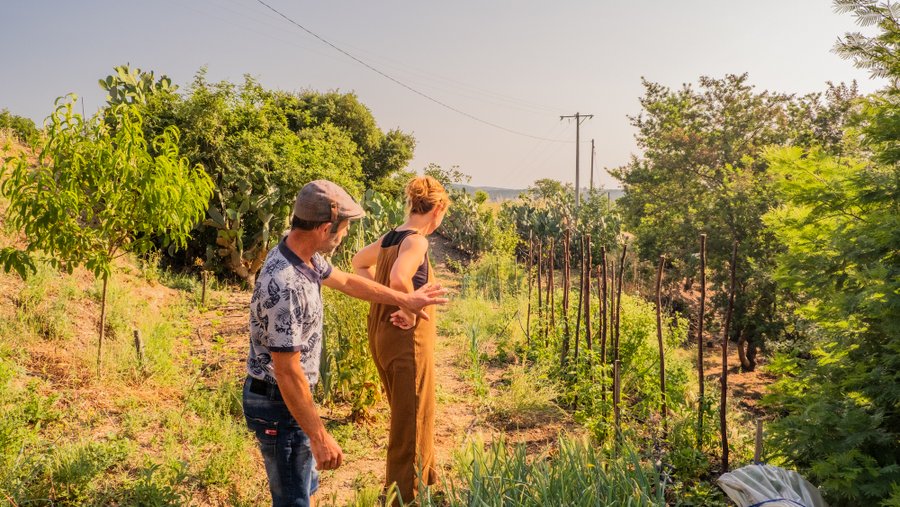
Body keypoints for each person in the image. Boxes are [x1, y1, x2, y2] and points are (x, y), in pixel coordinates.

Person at [243, 180, 448, 507]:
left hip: (290, 402)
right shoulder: (285, 283)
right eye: (345, 227)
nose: (347, 234)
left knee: (304, 489)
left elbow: (350, 281)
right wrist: (320, 436)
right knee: (293, 500)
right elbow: (287, 372)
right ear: (326, 228)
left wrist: (404, 300)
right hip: (280, 404)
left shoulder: (303, 257)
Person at [351, 175, 450, 503]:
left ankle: (424, 482)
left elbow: (358, 263)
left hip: (381, 336)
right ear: (436, 208)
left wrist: (390, 300)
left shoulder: (392, 236)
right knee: (410, 423)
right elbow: (398, 277)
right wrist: (406, 307)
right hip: (406, 342)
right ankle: (399, 499)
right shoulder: (417, 241)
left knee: (411, 413)